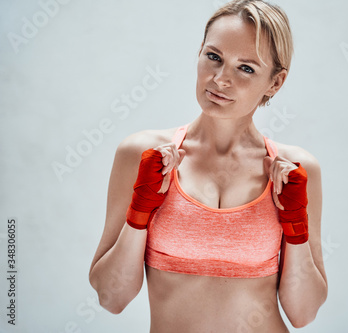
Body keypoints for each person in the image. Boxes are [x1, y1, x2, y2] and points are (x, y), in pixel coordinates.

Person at [89, 0, 327, 331]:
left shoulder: (293, 170)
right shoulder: (143, 155)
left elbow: (304, 313)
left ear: (275, 83)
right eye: (214, 57)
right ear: (199, 52)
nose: (220, 79)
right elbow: (110, 297)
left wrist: (295, 226)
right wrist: (138, 214)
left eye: (246, 68)